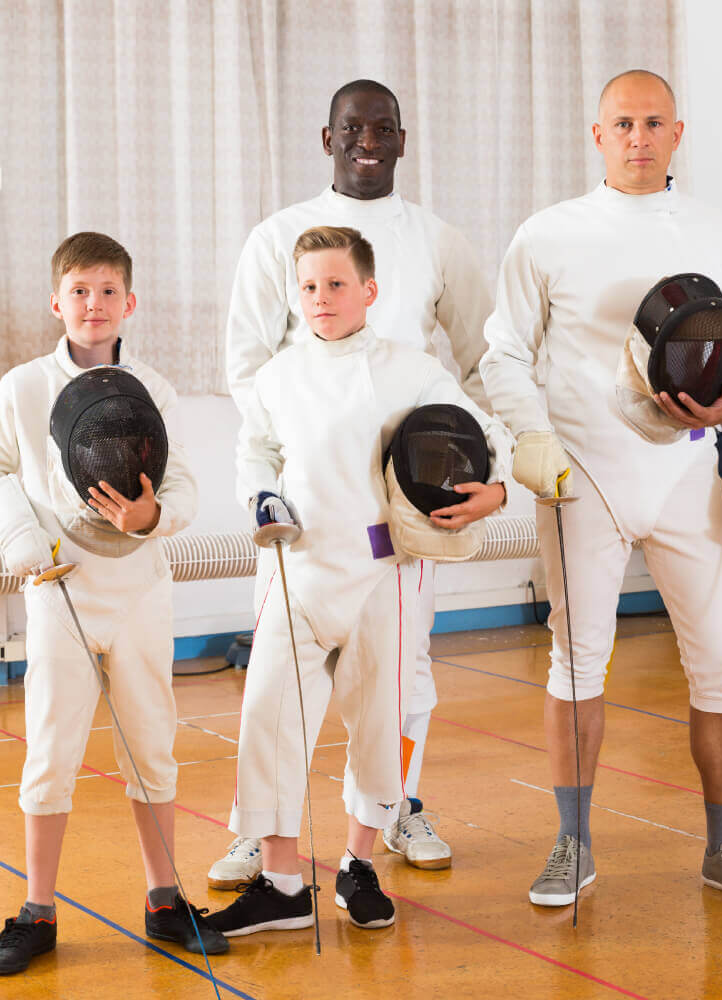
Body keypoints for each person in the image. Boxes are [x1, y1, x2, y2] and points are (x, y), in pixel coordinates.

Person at [481, 70, 722, 910]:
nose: (639, 138)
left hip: (688, 472)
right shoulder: (547, 236)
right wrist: (533, 439)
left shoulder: (718, 233)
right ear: (597, 135)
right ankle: (571, 844)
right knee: (575, 665)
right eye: (623, 123)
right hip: (584, 477)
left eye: (654, 123)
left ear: (678, 133)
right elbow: (502, 353)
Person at [210, 79, 493, 888]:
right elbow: (247, 370)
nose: (365, 140)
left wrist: (476, 474)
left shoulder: (437, 239)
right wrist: (301, 452)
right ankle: (259, 834)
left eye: (381, 129)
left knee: (403, 676)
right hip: (303, 516)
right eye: (349, 128)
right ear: (325, 137)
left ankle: (396, 806)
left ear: (403, 140)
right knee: (275, 682)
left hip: (403, 510)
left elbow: (477, 361)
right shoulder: (276, 237)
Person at [0, 232, 226, 975]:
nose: (92, 306)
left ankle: (164, 899)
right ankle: (37, 911)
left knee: (151, 743)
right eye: (78, 292)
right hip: (60, 588)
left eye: (106, 292)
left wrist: (151, 519)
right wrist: (28, 543)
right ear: (56, 302)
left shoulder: (152, 388)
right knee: (51, 751)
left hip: (138, 587)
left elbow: (183, 483)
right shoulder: (23, 386)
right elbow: (3, 473)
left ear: (128, 303)